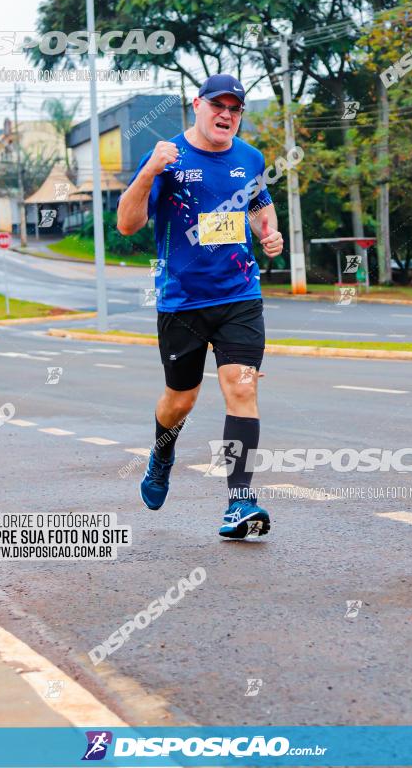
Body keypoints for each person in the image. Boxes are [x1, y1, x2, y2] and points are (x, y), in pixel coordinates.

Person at [117, 73, 283, 539]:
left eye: (235, 109)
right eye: (218, 106)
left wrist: (269, 232)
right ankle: (162, 453)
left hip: (239, 297)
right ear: (197, 105)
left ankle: (240, 501)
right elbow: (127, 225)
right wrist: (149, 170)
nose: (226, 115)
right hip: (182, 302)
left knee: (242, 388)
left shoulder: (250, 158)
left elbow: (258, 205)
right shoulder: (167, 157)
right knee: (180, 400)